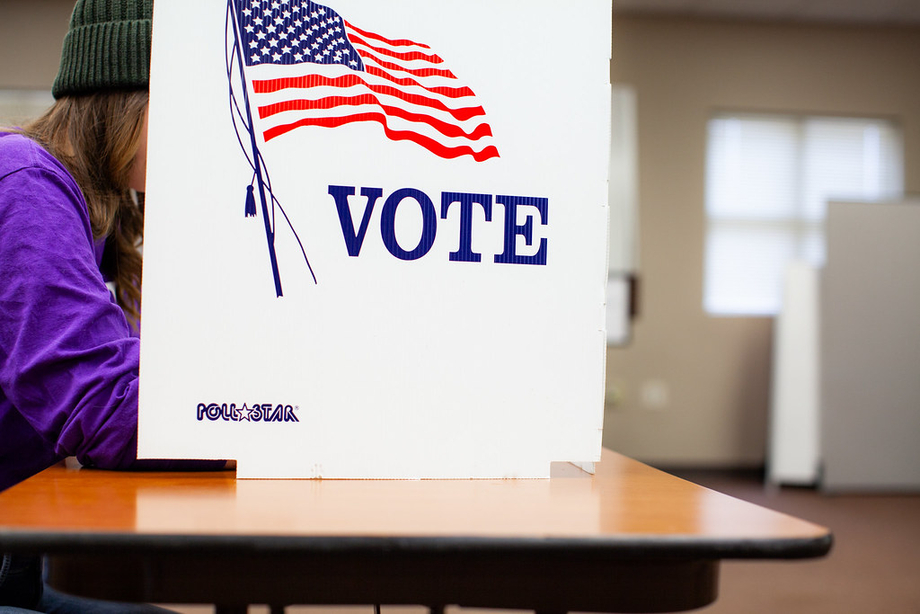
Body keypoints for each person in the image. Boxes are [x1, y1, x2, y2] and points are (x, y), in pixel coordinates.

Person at [1, 0, 227, 610]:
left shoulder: (101, 205)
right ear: (123, 96)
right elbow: (105, 407)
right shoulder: (25, 184)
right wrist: (272, 415)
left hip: (26, 541)